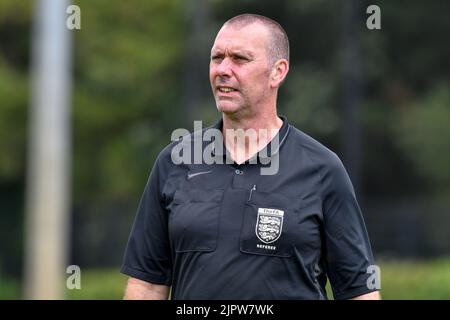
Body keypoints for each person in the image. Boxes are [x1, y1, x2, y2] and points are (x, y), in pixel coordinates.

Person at [121, 14, 380, 300]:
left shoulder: (322, 169)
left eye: (240, 59)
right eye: (217, 57)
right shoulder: (175, 161)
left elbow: (359, 293)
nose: (223, 69)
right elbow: (147, 285)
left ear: (277, 72)